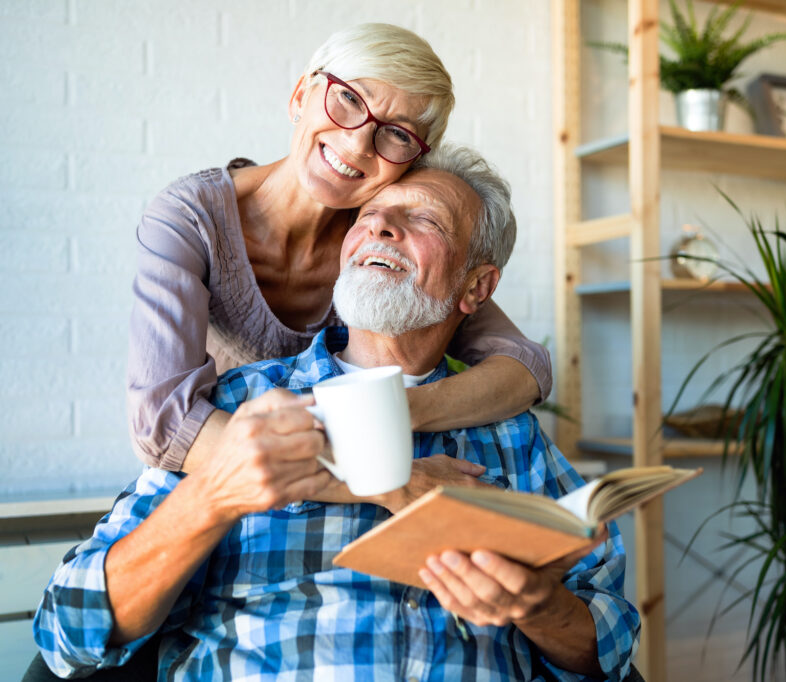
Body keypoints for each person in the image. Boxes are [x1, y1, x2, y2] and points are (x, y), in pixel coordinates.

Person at [34, 145, 640, 680]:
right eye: (367, 217)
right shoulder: (239, 410)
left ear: (477, 288)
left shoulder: (514, 437)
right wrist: (212, 498)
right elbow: (66, 630)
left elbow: (608, 644)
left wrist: (537, 607)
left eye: (421, 218)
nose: (380, 228)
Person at [128, 22, 552, 476]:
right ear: (299, 96)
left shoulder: (380, 241)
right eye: (349, 98)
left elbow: (524, 368)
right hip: (217, 477)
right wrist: (387, 485)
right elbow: (164, 429)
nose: (357, 143)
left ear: (415, 161)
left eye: (398, 134)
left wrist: (394, 413)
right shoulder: (190, 218)